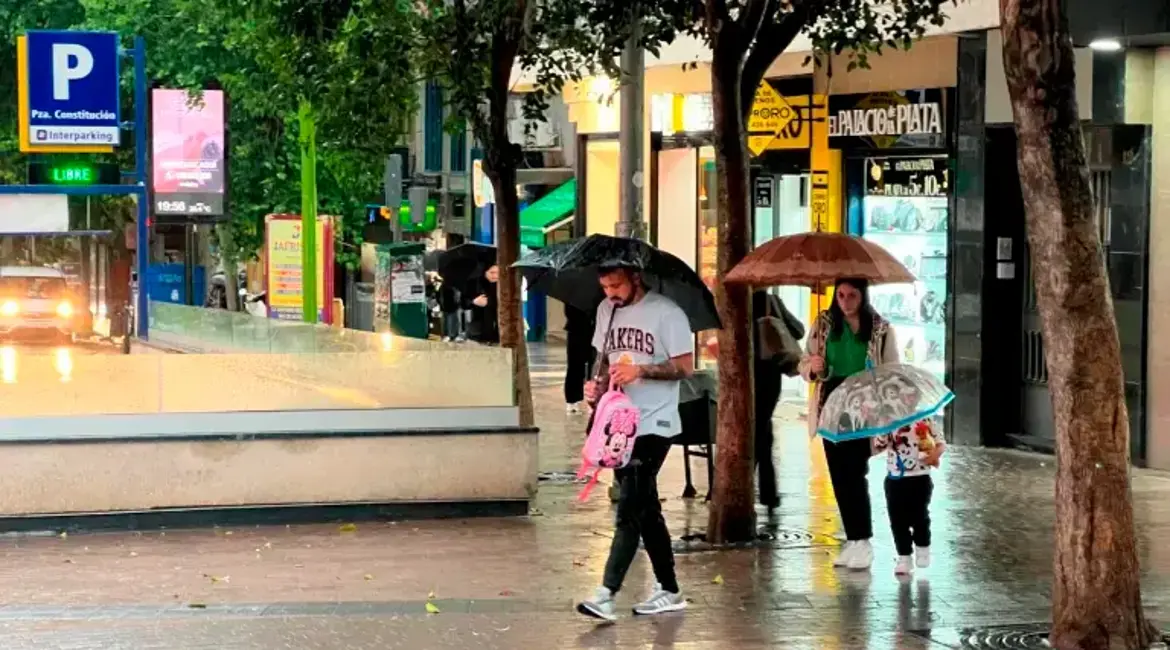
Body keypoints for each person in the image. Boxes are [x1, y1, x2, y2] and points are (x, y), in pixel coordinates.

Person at [576, 265, 694, 622]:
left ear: (635, 278)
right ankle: (670, 589)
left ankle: (606, 593)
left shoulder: (667, 313)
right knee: (644, 508)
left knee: (629, 508)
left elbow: (685, 367)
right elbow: (603, 360)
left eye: (616, 284)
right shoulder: (605, 310)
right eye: (605, 286)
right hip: (619, 423)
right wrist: (595, 387)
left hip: (655, 421)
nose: (611, 292)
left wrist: (641, 371)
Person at [798, 278, 899, 571]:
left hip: (863, 405)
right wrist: (812, 368)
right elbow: (805, 363)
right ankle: (853, 539)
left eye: (851, 295)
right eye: (840, 295)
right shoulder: (825, 324)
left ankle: (863, 539)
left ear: (862, 296)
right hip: (831, 401)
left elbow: (891, 369)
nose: (845, 301)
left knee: (855, 471)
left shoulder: (880, 329)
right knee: (838, 473)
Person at [752, 289, 805, 512]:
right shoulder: (769, 300)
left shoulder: (734, 300)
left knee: (757, 431)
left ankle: (763, 491)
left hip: (744, 373)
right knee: (762, 429)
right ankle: (768, 492)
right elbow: (799, 330)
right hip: (769, 372)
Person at [872, 417, 946, 576]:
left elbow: (941, 443)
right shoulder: (888, 420)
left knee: (919, 515)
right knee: (897, 520)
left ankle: (923, 546)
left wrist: (933, 456)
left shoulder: (926, 418)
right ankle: (904, 557)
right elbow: (878, 446)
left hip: (920, 477)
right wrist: (884, 431)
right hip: (895, 477)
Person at [563, 302, 596, 414]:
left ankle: (594, 400)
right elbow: (569, 312)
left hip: (596, 331)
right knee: (574, 365)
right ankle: (572, 400)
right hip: (576, 330)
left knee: (596, 366)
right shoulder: (573, 294)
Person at [464, 264, 499, 345]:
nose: (495, 275)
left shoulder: (503, 286)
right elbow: (465, 300)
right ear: (485, 273)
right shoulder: (477, 283)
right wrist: (474, 301)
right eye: (492, 272)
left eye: (497, 273)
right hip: (479, 331)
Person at [438, 277, 464, 342]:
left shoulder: (454, 285)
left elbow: (459, 294)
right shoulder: (443, 286)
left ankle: (454, 335)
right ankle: (449, 335)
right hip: (447, 304)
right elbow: (439, 295)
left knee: (455, 319)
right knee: (448, 320)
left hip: (454, 304)